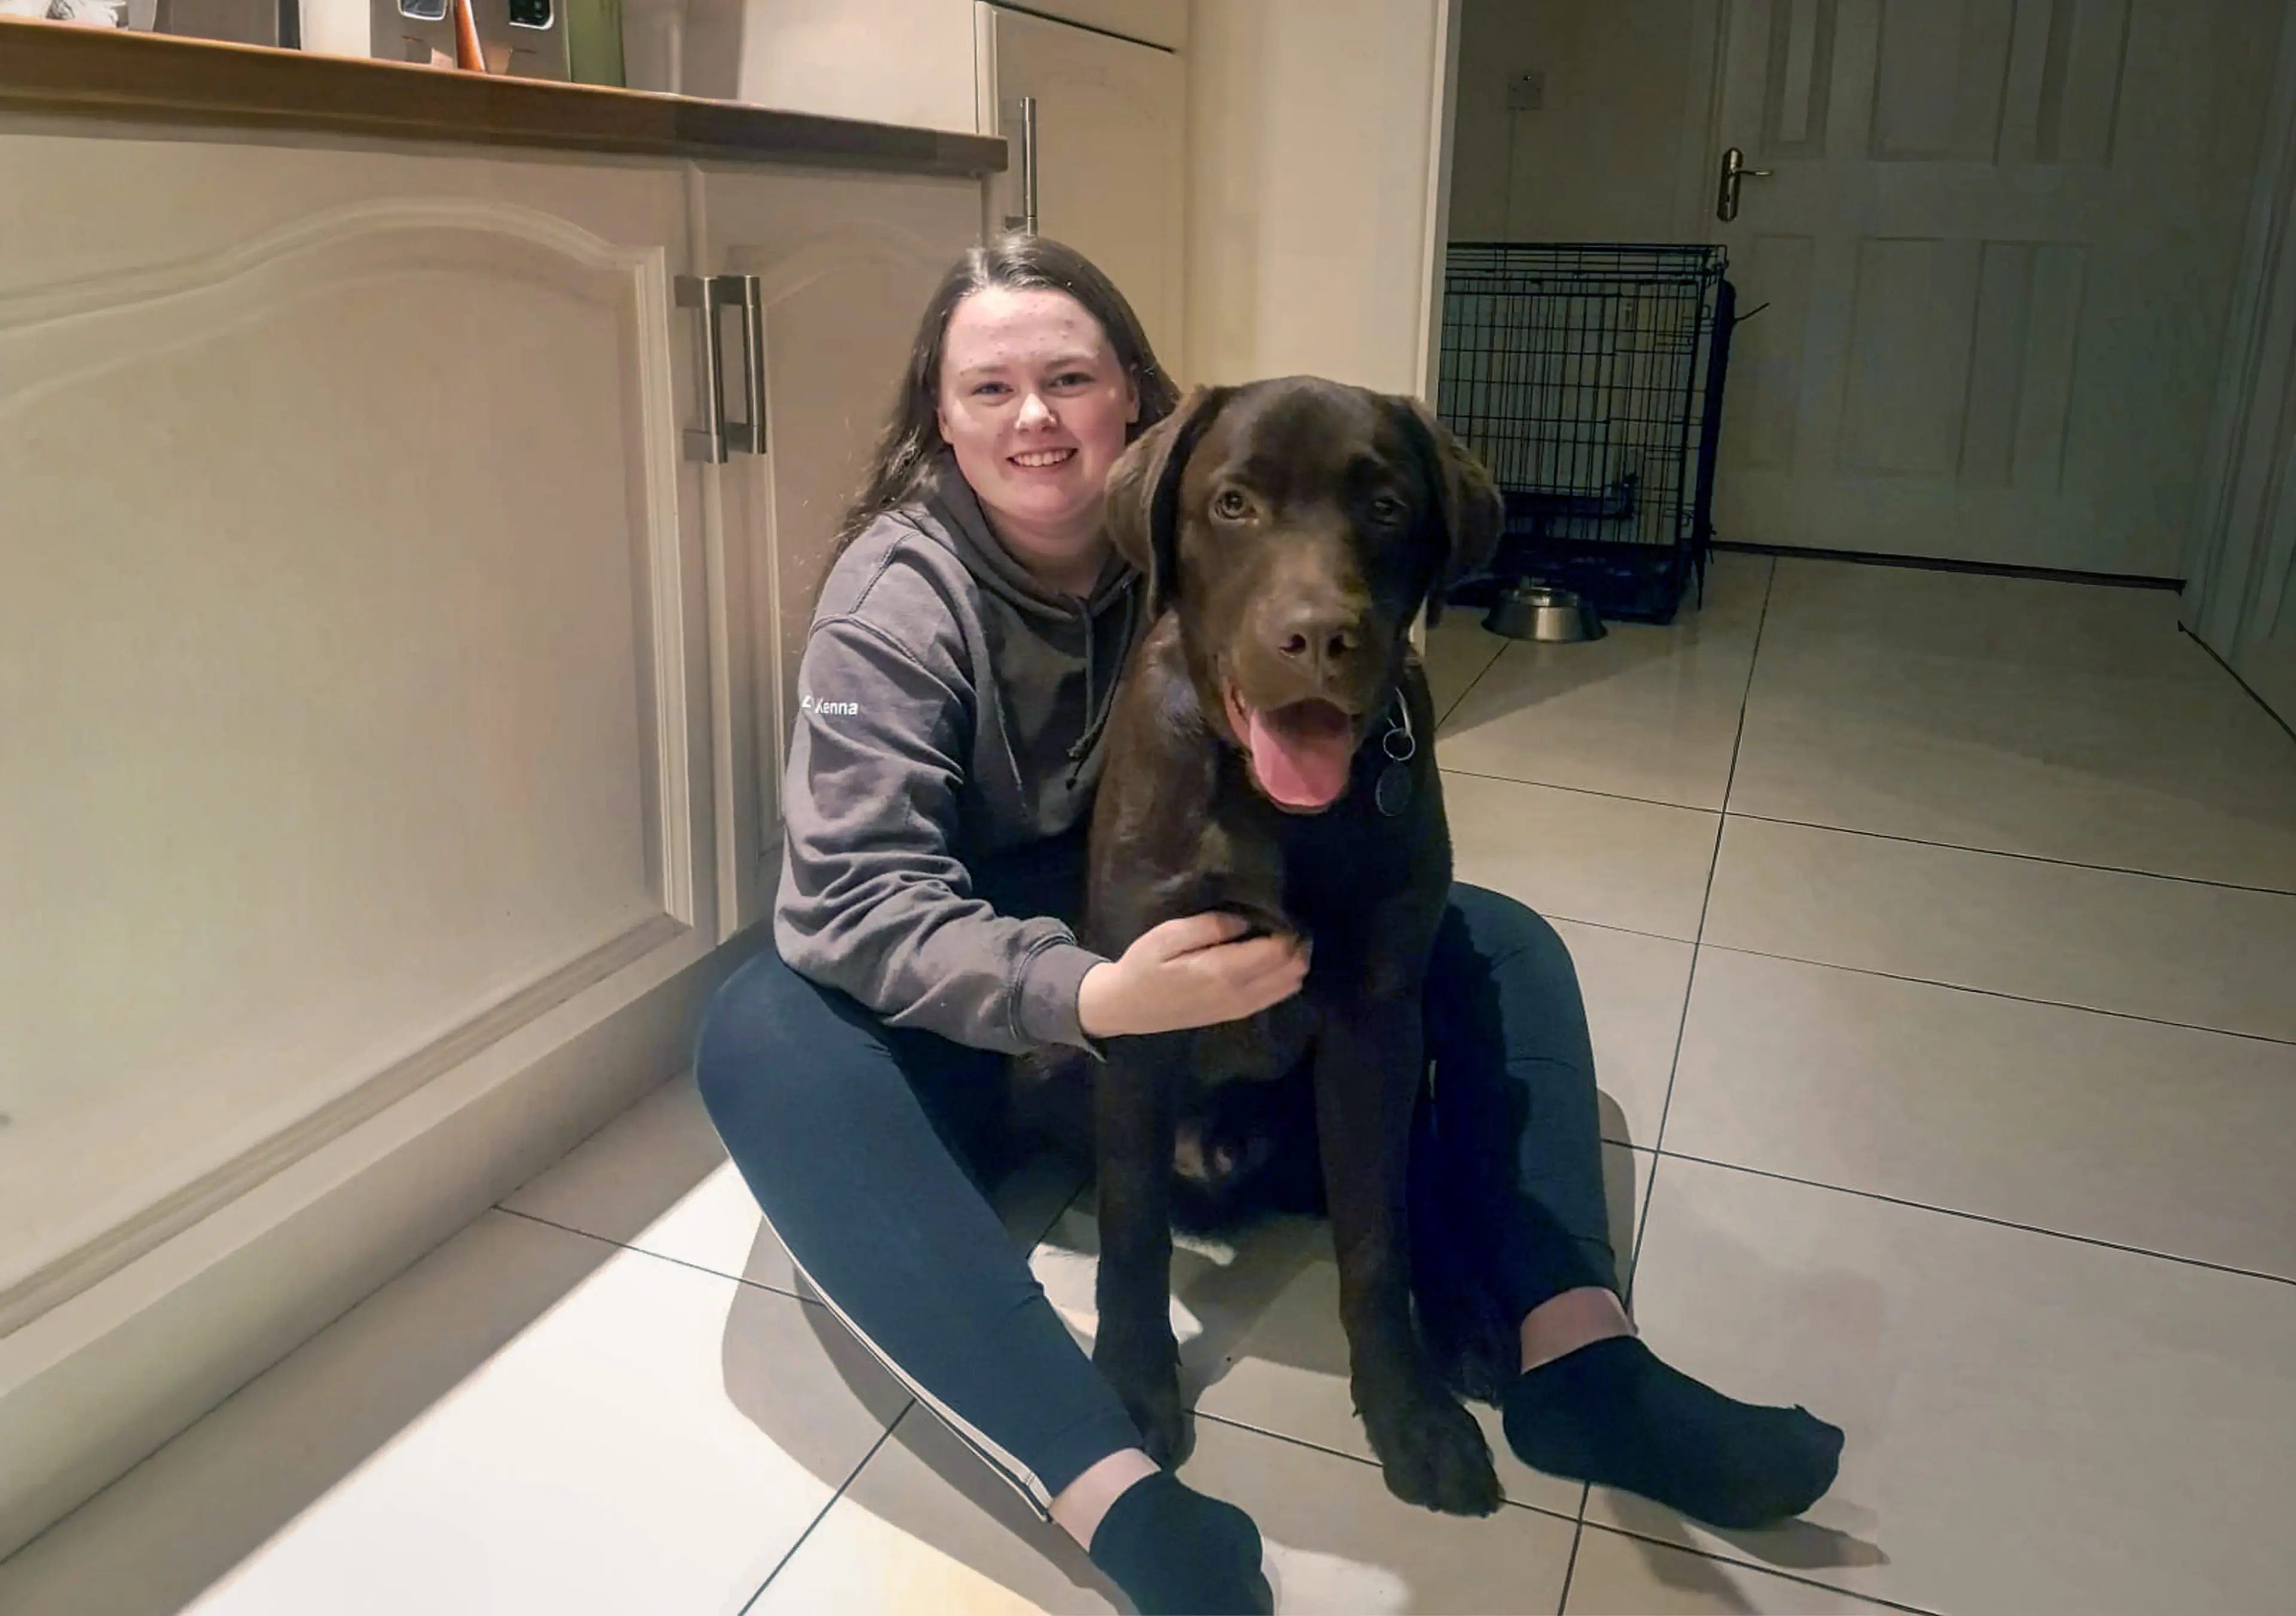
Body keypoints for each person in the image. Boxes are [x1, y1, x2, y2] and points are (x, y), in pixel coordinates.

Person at [694, 235, 1842, 1616]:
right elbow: (851, 902)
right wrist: (1089, 997)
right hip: (1009, 1017)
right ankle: (1106, 1486)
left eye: (1070, 376)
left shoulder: (1211, 519)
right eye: (989, 387)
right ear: (941, 416)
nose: (1036, 416)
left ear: (1137, 406)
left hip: (1218, 968)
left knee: (1504, 942)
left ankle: (1573, 1351)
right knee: (761, 1031)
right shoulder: (902, 601)